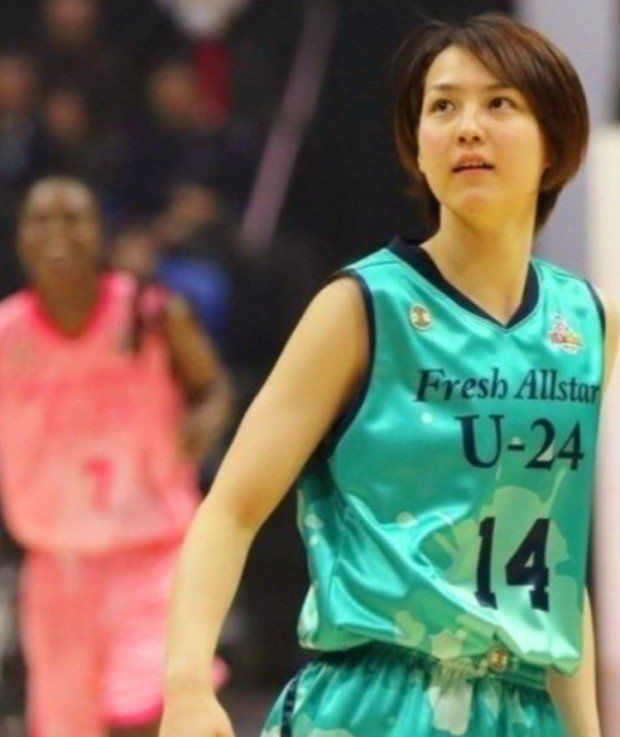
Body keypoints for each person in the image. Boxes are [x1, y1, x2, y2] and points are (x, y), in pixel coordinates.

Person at [159, 13, 619, 737]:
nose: (467, 127)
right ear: (418, 147)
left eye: (498, 103)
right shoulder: (362, 306)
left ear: (555, 140)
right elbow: (230, 510)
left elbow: (554, 561)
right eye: (443, 106)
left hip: (523, 709)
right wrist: (187, 684)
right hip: (373, 701)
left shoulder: (588, 321)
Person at [0, 176, 233, 737]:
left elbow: (212, 388)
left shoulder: (151, 314)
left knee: (150, 712)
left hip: (153, 557)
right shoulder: (7, 334)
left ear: (99, 232)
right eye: (41, 219)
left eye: (72, 218)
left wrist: (201, 425)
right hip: (55, 568)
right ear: (20, 237)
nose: (56, 232)